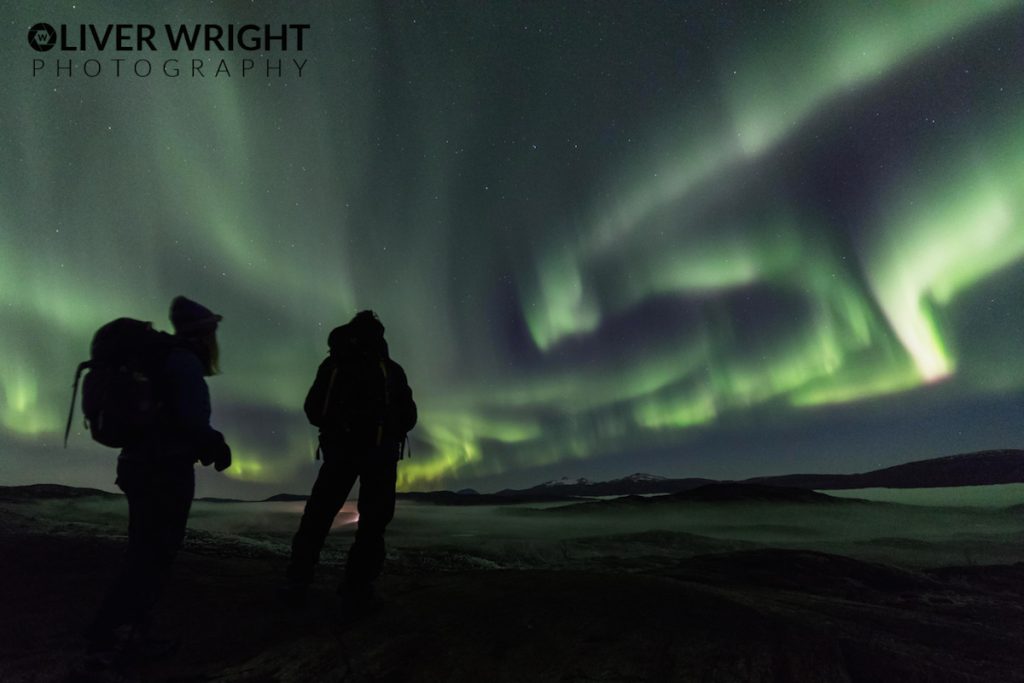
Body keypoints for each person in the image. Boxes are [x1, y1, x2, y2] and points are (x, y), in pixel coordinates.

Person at [85, 296, 232, 653]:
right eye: (212, 332)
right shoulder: (183, 360)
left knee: (144, 552)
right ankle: (109, 634)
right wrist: (215, 443)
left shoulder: (158, 357)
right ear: (202, 334)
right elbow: (192, 420)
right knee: (153, 557)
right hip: (164, 470)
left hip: (138, 465)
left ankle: (130, 630)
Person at [285, 310, 416, 611]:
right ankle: (357, 589)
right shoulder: (391, 370)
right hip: (381, 457)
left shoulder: (334, 364)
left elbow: (313, 409)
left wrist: (338, 429)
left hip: (340, 453)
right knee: (373, 524)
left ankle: (297, 581)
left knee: (318, 516)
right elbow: (409, 415)